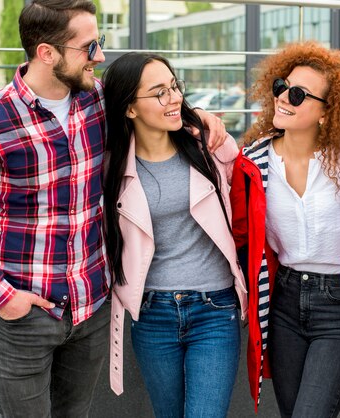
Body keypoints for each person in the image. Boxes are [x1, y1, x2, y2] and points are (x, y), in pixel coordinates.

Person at [0, 1, 225, 416]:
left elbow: (153, 107)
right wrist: (2, 295)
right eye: (88, 47)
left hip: (91, 308)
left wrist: (203, 117)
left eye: (99, 42)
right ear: (47, 53)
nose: (100, 57)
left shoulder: (97, 102)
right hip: (24, 315)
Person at [230, 41, 340, 417]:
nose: (284, 98)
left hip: (338, 307)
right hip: (284, 302)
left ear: (326, 112)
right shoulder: (252, 161)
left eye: (299, 94)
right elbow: (240, 232)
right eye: (281, 86)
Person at [101, 52, 247, 418]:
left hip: (214, 308)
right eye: (159, 92)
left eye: (174, 86)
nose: (174, 98)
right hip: (152, 313)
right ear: (130, 108)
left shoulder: (209, 148)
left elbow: (257, 188)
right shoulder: (110, 168)